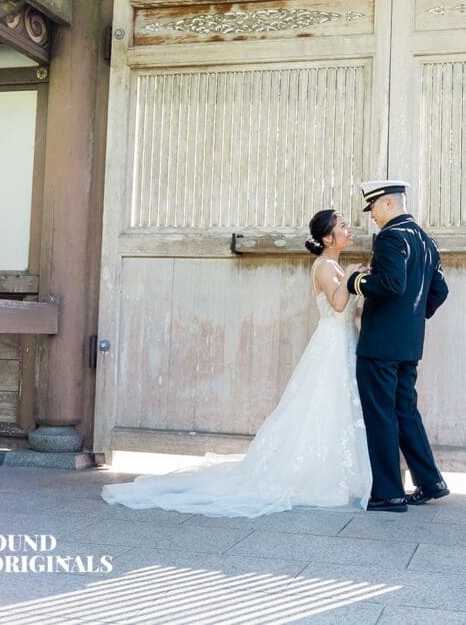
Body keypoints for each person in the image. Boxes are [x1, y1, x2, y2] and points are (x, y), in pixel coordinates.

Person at [101, 210, 372, 518]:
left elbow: (351, 309)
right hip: (331, 345)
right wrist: (350, 277)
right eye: (343, 226)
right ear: (327, 237)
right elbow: (338, 303)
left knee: (338, 407)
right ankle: (319, 478)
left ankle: (337, 474)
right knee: (325, 405)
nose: (349, 229)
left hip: (345, 341)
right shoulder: (324, 266)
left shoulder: (336, 266)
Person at [346, 180, 450, 512]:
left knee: (380, 414)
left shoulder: (391, 236)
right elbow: (440, 291)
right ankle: (430, 482)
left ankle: (388, 493)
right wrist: (412, 318)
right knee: (404, 410)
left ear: (388, 204)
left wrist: (354, 281)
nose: (372, 215)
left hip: (380, 344)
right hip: (408, 344)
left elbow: (391, 283)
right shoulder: (426, 240)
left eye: (373, 208)